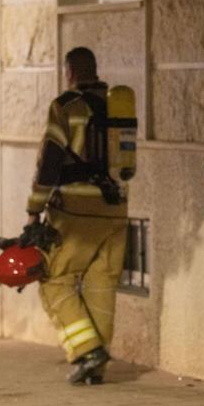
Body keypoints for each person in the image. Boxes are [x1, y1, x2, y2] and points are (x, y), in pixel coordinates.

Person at [26, 47, 129, 385]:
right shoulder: (118, 105)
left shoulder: (66, 106)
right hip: (116, 209)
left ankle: (86, 349)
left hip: (74, 210)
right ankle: (94, 366)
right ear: (95, 69)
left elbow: (50, 161)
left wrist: (34, 211)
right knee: (102, 282)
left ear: (69, 72)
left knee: (54, 278)